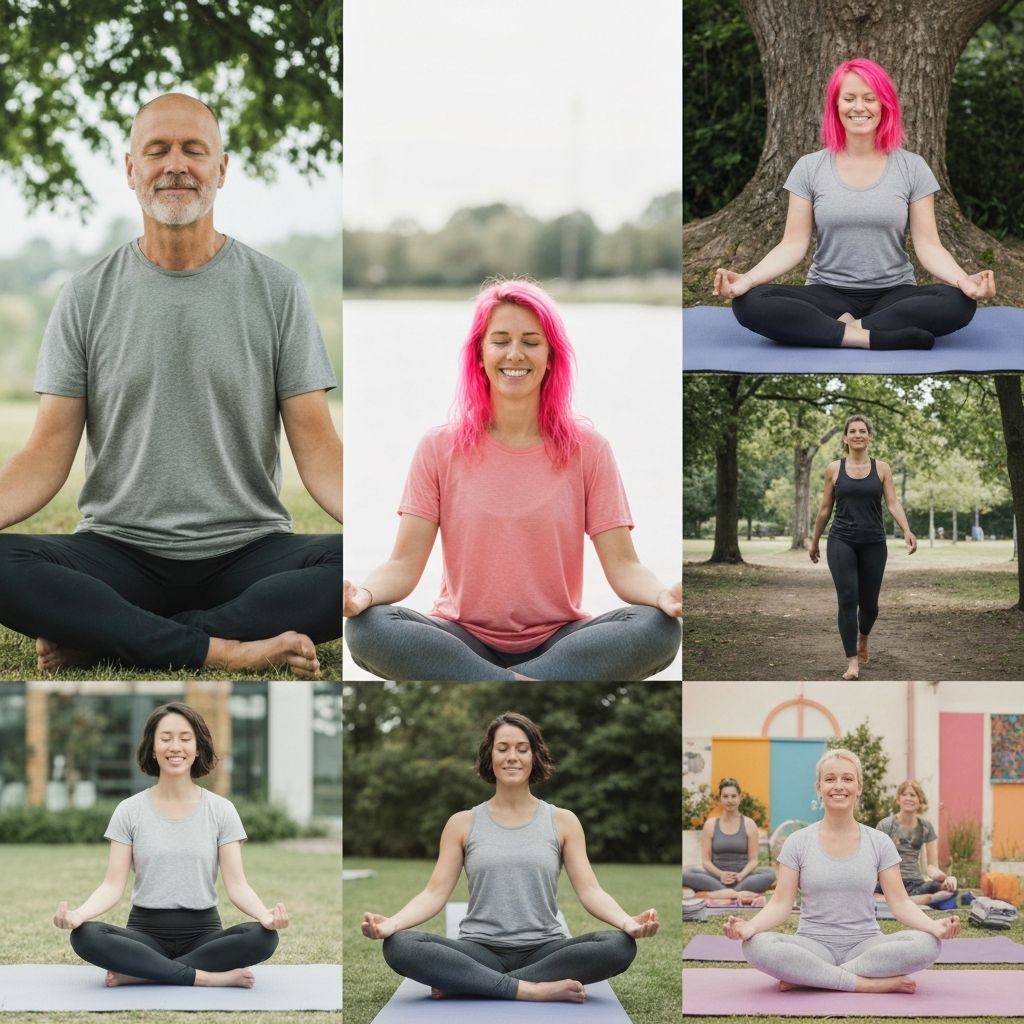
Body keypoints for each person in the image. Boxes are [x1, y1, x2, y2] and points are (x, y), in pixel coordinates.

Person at [0, 93, 341, 677]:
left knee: (350, 565)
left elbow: (317, 447)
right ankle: (226, 645)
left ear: (222, 168)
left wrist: (390, 528)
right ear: (131, 169)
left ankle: (114, 635)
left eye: (194, 150)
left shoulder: (277, 290)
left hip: (250, 547)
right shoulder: (84, 295)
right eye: (156, 151)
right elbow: (45, 452)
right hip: (116, 550)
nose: (175, 165)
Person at [343, 278, 681, 681]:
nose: (515, 354)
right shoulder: (438, 447)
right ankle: (530, 683)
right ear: (480, 355)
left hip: (559, 640)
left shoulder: (589, 449)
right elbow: (402, 564)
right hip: (461, 638)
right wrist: (364, 594)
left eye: (531, 341)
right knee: (368, 628)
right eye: (500, 340)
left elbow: (625, 567)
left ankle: (496, 681)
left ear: (551, 356)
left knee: (657, 628)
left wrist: (663, 595)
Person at [361, 712, 658, 1004]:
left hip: (545, 949)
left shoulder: (563, 821)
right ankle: (531, 989)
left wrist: (626, 922)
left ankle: (471, 983)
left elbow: (590, 890)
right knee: (400, 945)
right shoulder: (462, 823)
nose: (512, 756)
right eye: (502, 748)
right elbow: (434, 893)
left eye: (522, 749)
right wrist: (393, 924)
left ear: (534, 757)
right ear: (490, 757)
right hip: (479, 949)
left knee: (619, 945)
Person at [713, 57, 996, 350]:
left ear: (884, 105)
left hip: (894, 295)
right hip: (827, 294)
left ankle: (841, 330)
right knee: (749, 303)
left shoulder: (913, 167)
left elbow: (929, 246)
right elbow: (792, 244)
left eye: (869, 99)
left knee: (959, 304)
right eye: (849, 98)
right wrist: (747, 279)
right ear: (836, 106)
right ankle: (870, 338)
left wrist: (964, 280)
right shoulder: (809, 167)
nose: (859, 107)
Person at [54, 702, 287, 988]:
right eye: (165, 738)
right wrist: (78, 915)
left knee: (263, 937)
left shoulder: (222, 810)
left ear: (198, 748)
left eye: (185, 739)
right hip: (144, 934)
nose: (175, 746)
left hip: (204, 935)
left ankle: (142, 972)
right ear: (153, 748)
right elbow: (112, 886)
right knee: (84, 936)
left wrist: (265, 915)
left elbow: (237, 886)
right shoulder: (129, 810)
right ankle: (206, 978)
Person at [724, 749, 957, 994]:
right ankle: (866, 984)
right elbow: (781, 904)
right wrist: (750, 927)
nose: (839, 786)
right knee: (756, 945)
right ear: (818, 787)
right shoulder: (797, 841)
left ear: (859, 787)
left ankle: (811, 976)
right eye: (830, 779)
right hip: (812, 944)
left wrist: (934, 926)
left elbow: (900, 903)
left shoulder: (879, 842)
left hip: (865, 945)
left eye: (847, 779)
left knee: (928, 944)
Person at [809, 415, 916, 680]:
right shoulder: (834, 469)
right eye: (853, 431)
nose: (858, 435)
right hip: (841, 540)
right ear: (845, 438)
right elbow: (824, 510)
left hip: (874, 543)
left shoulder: (882, 468)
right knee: (847, 599)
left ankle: (863, 636)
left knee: (869, 605)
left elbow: (892, 503)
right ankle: (852, 662)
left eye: (863, 431)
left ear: (869, 436)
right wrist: (814, 541)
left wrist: (906, 529)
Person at [683, 778, 776, 901]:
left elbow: (753, 861)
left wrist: (741, 875)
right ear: (720, 799)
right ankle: (737, 893)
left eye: (733, 796)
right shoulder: (710, 825)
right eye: (725, 796)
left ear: (739, 797)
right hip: (716, 878)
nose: (730, 800)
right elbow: (706, 862)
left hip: (743, 878)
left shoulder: (749, 824)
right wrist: (721, 874)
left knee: (770, 873)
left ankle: (724, 893)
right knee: (687, 873)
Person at [875, 780, 957, 907]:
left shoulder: (926, 827)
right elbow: (875, 861)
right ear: (898, 799)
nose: (908, 798)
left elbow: (932, 866)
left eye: (913, 795)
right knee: (865, 889)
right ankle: (925, 900)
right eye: (904, 794)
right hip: (889, 883)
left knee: (949, 889)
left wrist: (946, 878)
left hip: (916, 885)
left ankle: (894, 901)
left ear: (920, 801)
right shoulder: (885, 825)